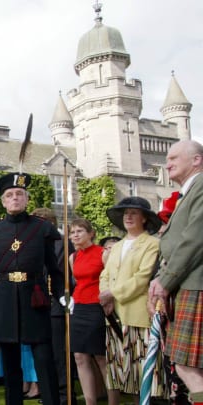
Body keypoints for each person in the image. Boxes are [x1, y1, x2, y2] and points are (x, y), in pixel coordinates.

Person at [0, 172, 66, 405]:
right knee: (10, 362)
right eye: (10, 195)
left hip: (34, 298)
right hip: (4, 299)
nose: (15, 198)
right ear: (3, 201)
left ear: (27, 199)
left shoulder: (42, 229)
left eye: (19, 194)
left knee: (44, 359)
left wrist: (61, 295)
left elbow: (54, 269)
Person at [149, 140, 203, 404]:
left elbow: (195, 239)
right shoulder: (189, 192)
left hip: (195, 284)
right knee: (189, 366)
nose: (167, 163)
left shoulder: (202, 186)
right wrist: (161, 278)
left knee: (186, 365)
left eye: (173, 158)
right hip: (187, 283)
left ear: (196, 160)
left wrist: (166, 281)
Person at [99, 196, 162, 403]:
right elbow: (105, 274)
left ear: (144, 218)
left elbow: (142, 278)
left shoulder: (152, 244)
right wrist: (105, 296)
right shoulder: (116, 246)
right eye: (126, 213)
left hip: (138, 315)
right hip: (114, 317)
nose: (128, 216)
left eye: (134, 213)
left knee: (142, 375)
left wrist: (112, 293)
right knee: (122, 374)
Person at [31, 207, 76, 405]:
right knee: (45, 354)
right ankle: (51, 394)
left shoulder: (62, 243)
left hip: (58, 304)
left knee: (60, 355)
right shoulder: (38, 243)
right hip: (41, 304)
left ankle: (65, 397)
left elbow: (61, 273)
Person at [68, 219, 108, 405]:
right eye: (72, 232)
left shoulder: (103, 253)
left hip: (97, 306)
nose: (75, 235)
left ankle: (112, 399)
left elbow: (110, 281)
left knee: (100, 356)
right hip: (79, 307)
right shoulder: (73, 257)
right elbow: (76, 282)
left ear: (91, 233)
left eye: (79, 231)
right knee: (79, 356)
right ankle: (90, 402)